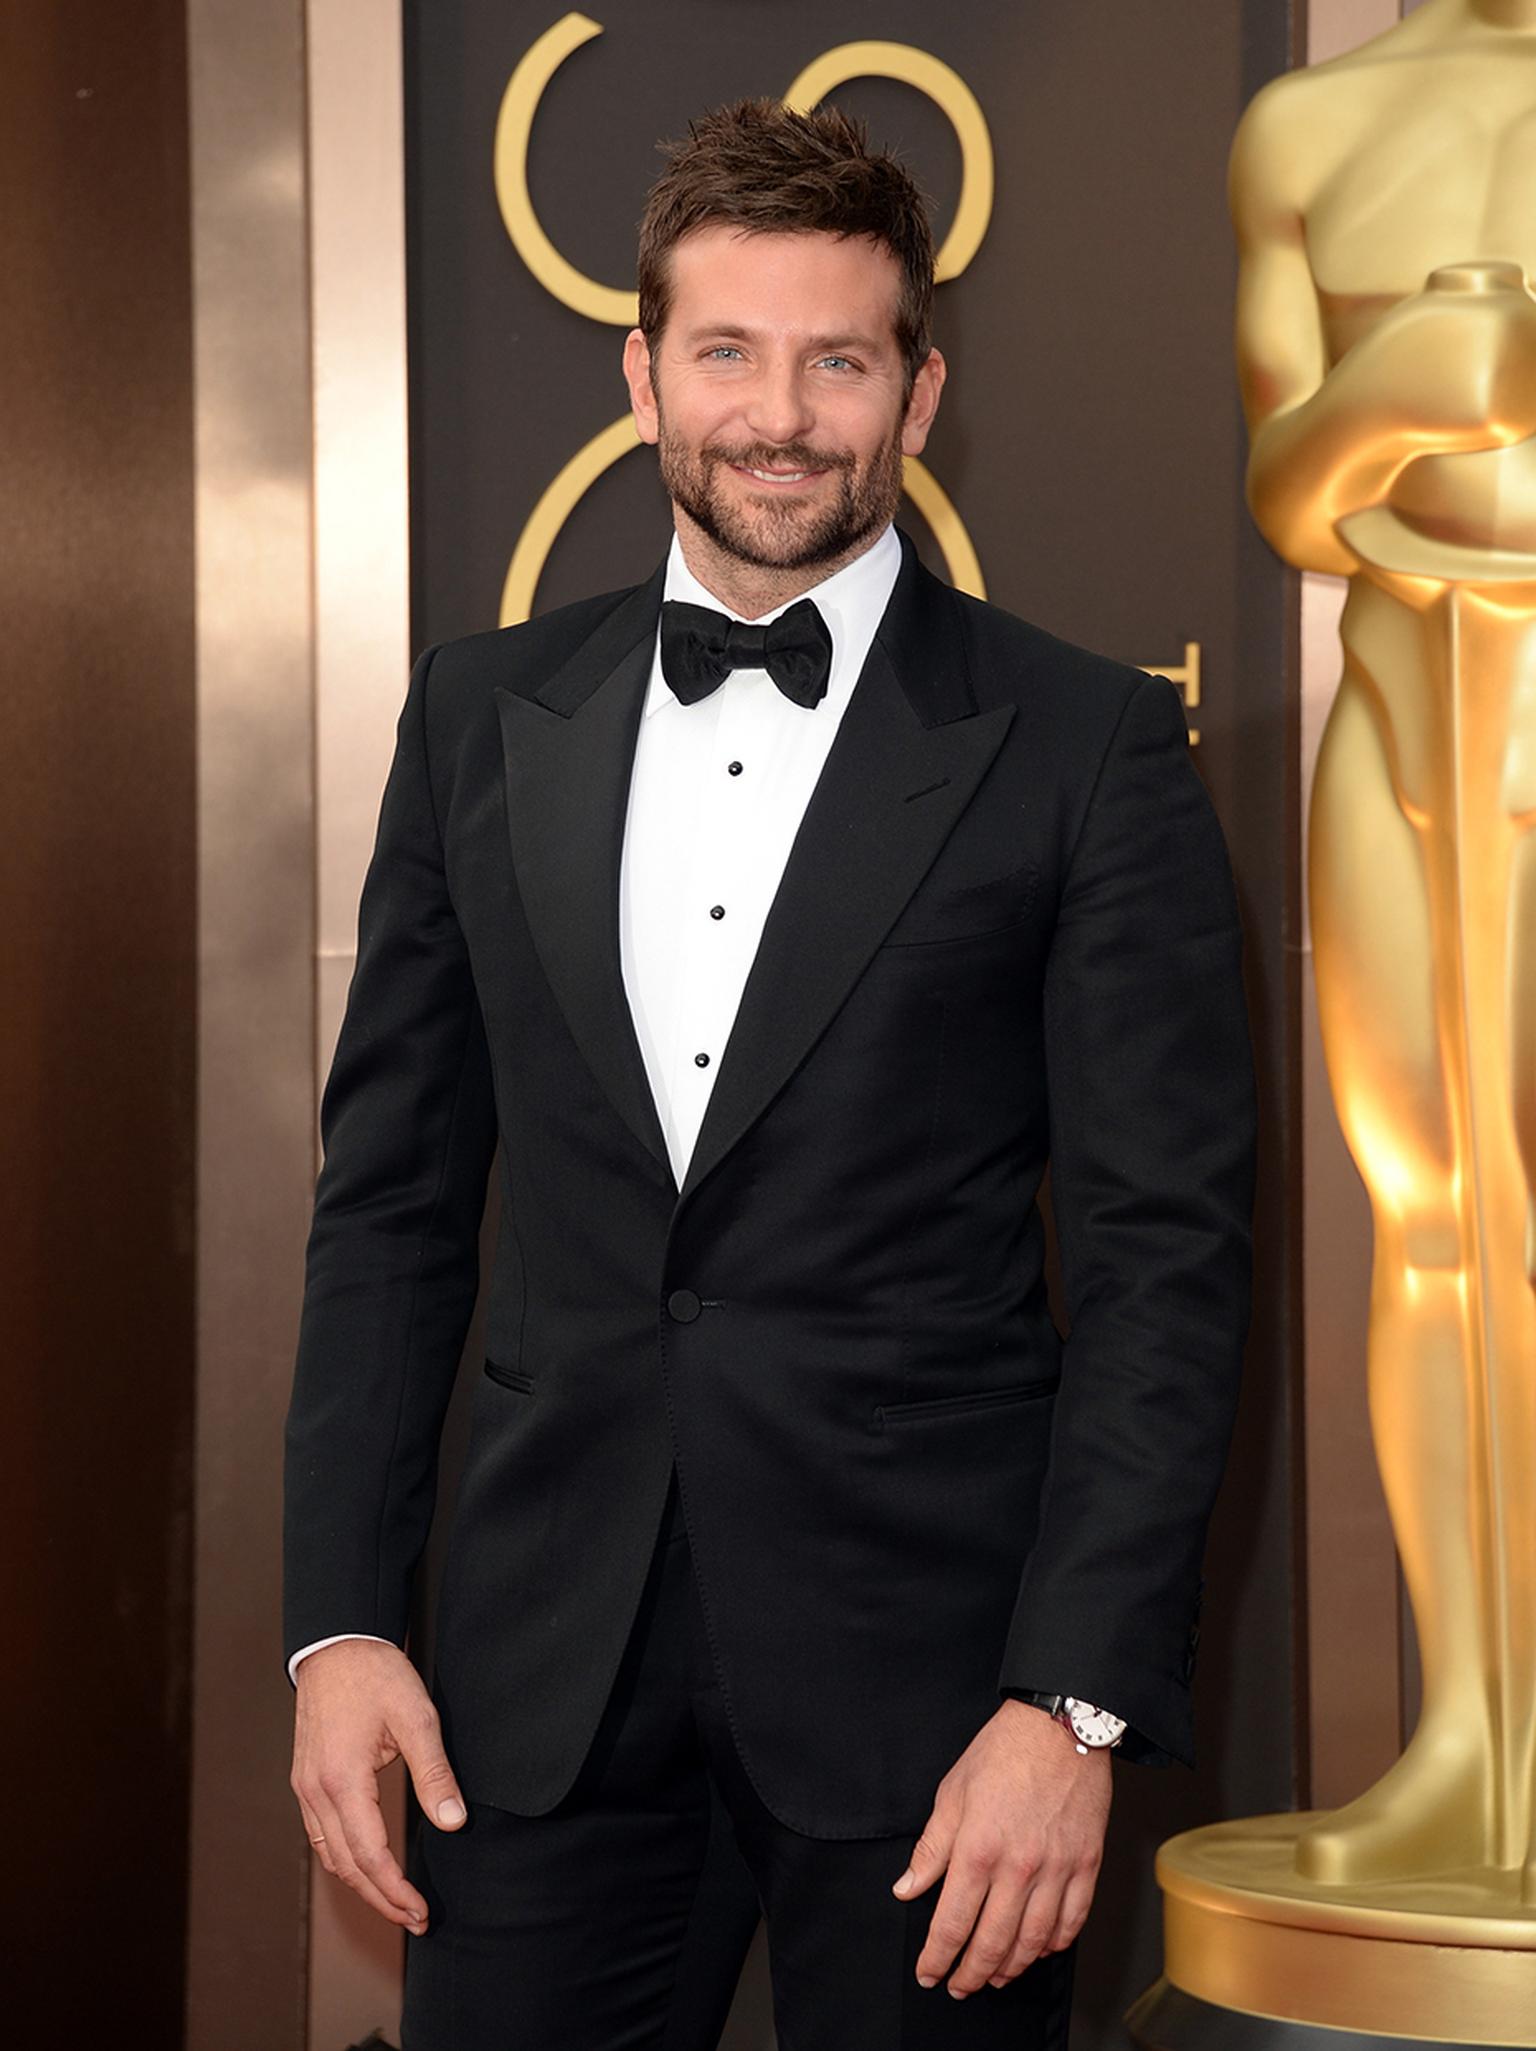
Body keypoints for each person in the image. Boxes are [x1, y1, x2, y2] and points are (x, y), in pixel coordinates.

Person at [285, 97, 1256, 2051]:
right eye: (727, 351)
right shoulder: (479, 718)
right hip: (534, 1691)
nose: (780, 412)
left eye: (840, 359)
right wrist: (343, 1622)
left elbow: (1169, 1266)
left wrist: (1068, 1710)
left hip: (940, 1715)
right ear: (642, 375)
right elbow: (390, 1206)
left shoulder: (1084, 750)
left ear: (920, 389)